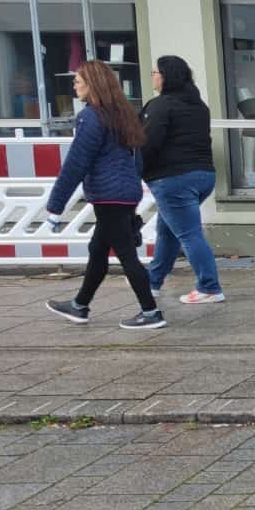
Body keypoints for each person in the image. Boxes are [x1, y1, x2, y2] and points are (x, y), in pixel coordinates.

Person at [43, 61, 164, 331]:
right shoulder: (123, 114)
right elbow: (137, 159)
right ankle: (79, 306)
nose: (74, 85)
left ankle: (151, 311)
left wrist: (55, 206)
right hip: (124, 193)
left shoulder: (91, 117)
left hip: (108, 195)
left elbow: (76, 163)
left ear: (93, 84)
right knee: (97, 250)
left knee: (126, 256)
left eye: (78, 80)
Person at [140, 55, 224, 305]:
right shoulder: (199, 106)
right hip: (203, 176)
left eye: (155, 72)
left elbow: (148, 143)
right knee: (167, 231)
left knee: (188, 233)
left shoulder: (160, 106)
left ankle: (209, 286)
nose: (153, 77)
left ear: (166, 76)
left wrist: (135, 169)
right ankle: (152, 281)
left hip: (172, 179)